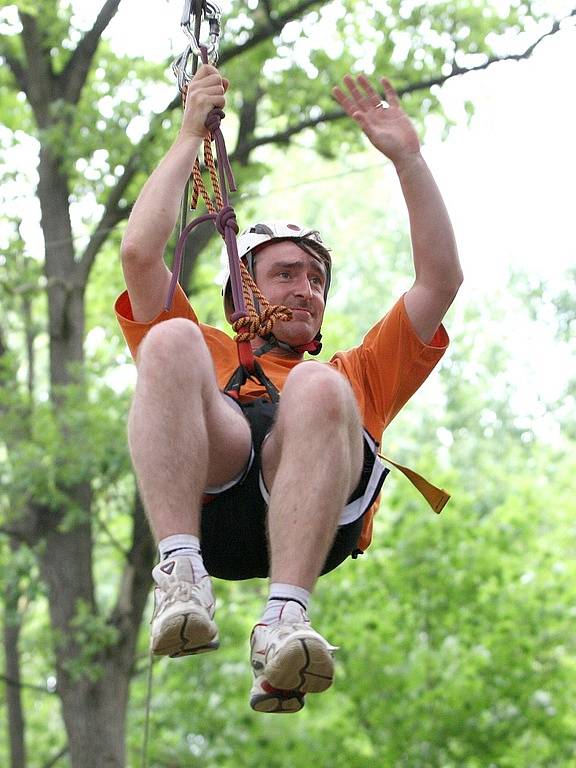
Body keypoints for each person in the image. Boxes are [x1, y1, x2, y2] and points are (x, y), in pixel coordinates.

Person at [115, 64, 462, 714]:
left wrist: (410, 161)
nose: (306, 288)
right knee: (167, 341)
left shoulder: (355, 373)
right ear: (241, 292)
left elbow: (439, 281)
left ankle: (284, 624)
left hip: (310, 522)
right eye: (285, 274)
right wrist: (191, 131)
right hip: (210, 506)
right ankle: (180, 577)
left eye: (316, 279)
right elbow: (139, 253)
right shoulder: (211, 350)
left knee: (319, 391)